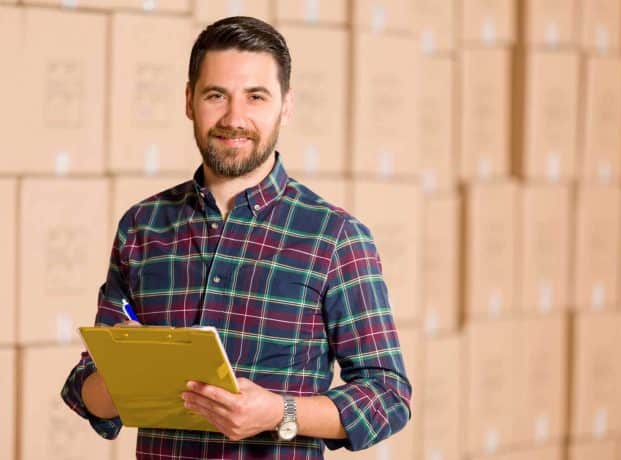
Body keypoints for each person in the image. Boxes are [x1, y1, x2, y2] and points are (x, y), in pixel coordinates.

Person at [61, 16, 411, 459]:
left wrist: (280, 412)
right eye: (216, 96)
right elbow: (86, 389)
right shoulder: (143, 226)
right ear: (189, 101)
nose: (234, 118)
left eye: (256, 97)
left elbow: (388, 397)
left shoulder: (336, 237)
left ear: (285, 106)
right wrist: (124, 373)